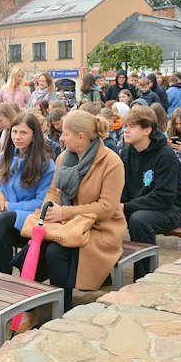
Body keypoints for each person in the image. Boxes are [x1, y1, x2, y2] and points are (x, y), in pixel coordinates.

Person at [34, 111, 126, 312]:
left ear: (80, 137)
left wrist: (64, 212)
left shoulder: (111, 162)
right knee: (39, 245)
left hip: (100, 228)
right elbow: (52, 191)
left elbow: (106, 208)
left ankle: (62, 308)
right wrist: (49, 208)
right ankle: (33, 304)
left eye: (65, 134)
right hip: (67, 225)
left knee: (55, 251)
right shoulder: (63, 159)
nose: (61, 138)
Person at [120, 107, 181, 280]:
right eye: (125, 126)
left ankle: (146, 277)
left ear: (147, 130)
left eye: (131, 126)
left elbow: (164, 197)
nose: (125, 130)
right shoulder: (126, 152)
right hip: (140, 205)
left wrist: (126, 207)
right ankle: (103, 272)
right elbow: (122, 186)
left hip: (172, 207)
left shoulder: (166, 156)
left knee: (139, 220)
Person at [0, 112, 55, 274]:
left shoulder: (46, 165)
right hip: (7, 219)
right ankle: (4, 282)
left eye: (24, 133)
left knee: (3, 219)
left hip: (33, 217)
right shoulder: (4, 157)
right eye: (14, 132)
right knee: (3, 234)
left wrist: (9, 206)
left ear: (34, 136)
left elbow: (40, 203)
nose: (17, 137)